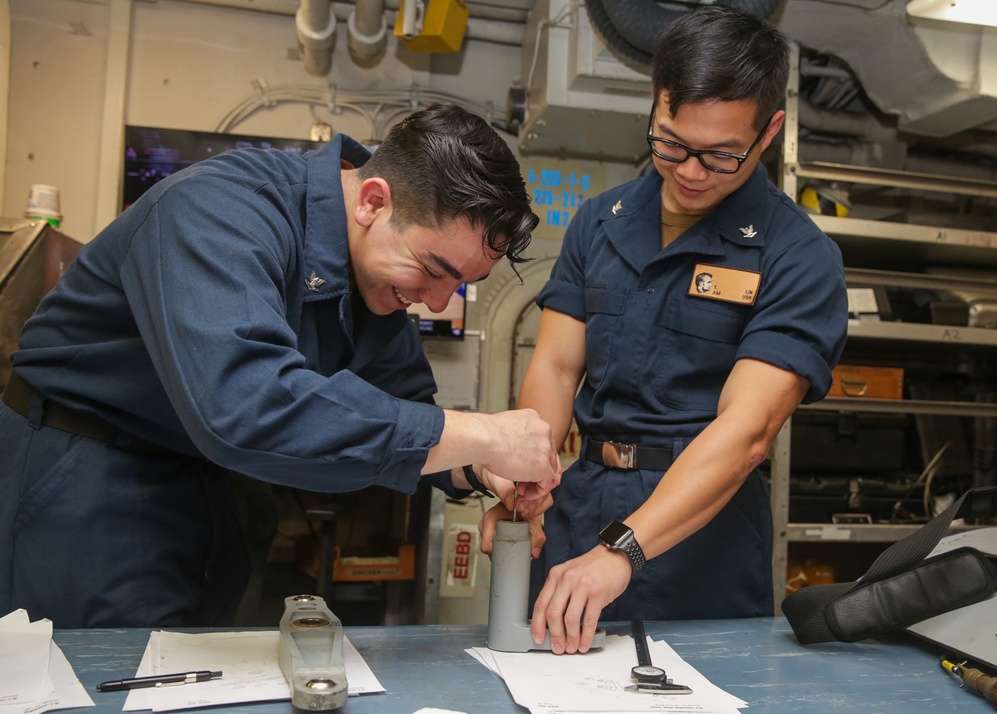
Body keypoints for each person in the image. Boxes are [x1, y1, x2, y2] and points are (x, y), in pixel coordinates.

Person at [0, 103, 560, 628]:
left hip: (207, 485)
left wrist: (481, 467)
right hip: (86, 474)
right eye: (433, 271)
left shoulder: (378, 275)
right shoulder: (220, 209)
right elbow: (244, 405)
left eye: (460, 284)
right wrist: (483, 433)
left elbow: (409, 413)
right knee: (106, 684)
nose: (438, 303)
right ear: (372, 201)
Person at [480, 6, 848, 654]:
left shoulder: (796, 256)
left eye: (720, 155)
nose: (689, 171)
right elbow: (557, 367)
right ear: (655, 105)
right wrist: (526, 481)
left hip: (699, 537)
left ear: (769, 133)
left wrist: (624, 546)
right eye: (671, 142)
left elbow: (746, 432)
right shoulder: (600, 222)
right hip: (581, 503)